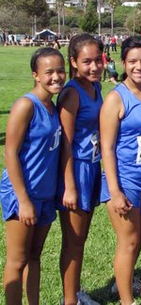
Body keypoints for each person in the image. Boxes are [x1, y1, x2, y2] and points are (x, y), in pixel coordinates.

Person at [100, 36, 141, 305]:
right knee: (128, 241)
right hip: (124, 180)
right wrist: (115, 191)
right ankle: (127, 301)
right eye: (133, 61)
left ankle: (124, 281)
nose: (139, 66)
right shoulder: (117, 98)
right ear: (124, 63)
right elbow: (107, 148)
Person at [0, 47, 65, 304]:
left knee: (35, 256)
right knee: (18, 260)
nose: (56, 77)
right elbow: (10, 153)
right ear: (35, 75)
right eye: (49, 72)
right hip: (23, 194)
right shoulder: (26, 105)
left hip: (45, 195)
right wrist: (23, 200)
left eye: (60, 71)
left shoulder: (54, 106)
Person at [57, 33, 104, 305]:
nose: (94, 66)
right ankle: (69, 300)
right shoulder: (72, 93)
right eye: (87, 62)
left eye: (98, 60)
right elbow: (65, 142)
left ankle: (74, 291)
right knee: (73, 241)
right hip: (75, 171)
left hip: (93, 168)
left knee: (81, 238)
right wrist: (70, 185)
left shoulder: (95, 88)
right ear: (73, 62)